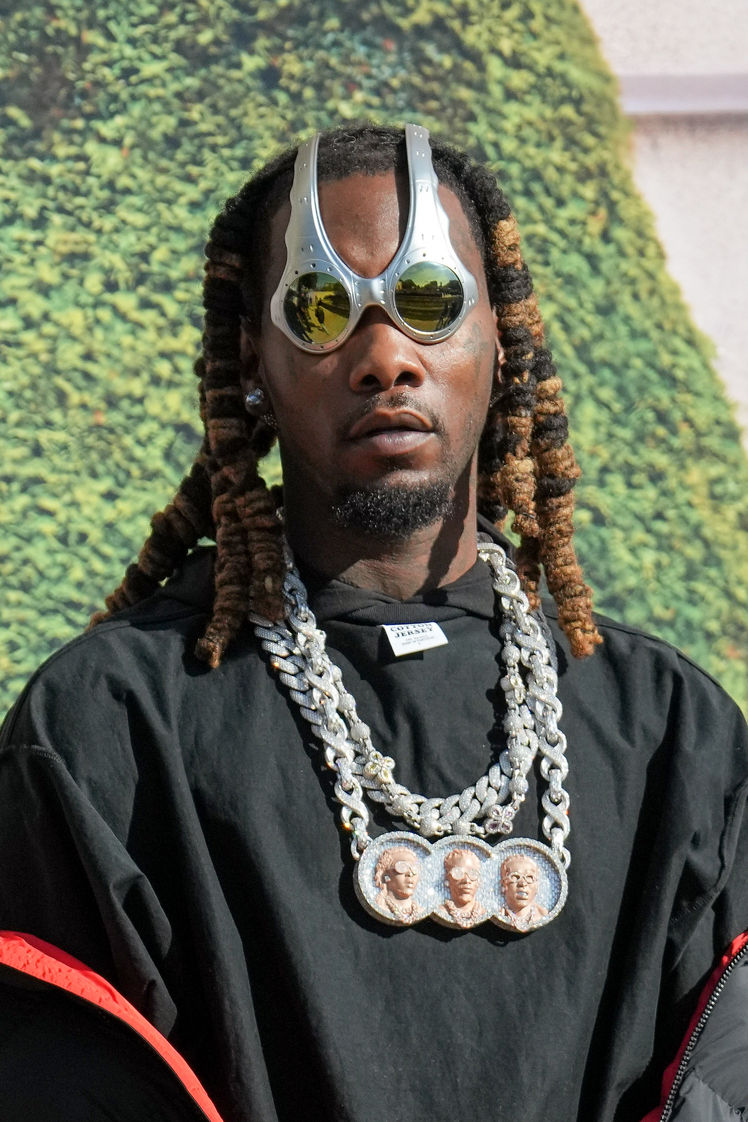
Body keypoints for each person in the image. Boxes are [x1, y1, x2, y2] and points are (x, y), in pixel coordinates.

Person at [1, 121, 747, 1122]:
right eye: (321, 309)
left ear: (499, 340)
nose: (386, 356)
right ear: (254, 361)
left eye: (429, 300)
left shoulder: (674, 735)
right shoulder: (108, 727)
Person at [497, 853, 549, 931]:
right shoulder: (498, 914)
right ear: (503, 884)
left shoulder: (543, 914)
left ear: (536, 886)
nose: (522, 883)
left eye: (529, 877)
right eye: (515, 877)